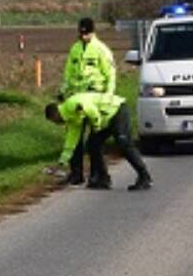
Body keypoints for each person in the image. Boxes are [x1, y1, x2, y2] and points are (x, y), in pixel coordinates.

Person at [45, 92, 152, 191]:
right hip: (104, 119)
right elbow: (72, 140)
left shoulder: (72, 104)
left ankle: (144, 176)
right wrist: (63, 160)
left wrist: (96, 127)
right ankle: (103, 178)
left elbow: (91, 111)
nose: (56, 124)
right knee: (93, 145)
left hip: (116, 110)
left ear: (55, 115)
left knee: (124, 144)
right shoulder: (70, 118)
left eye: (54, 121)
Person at [55, 17, 116, 185]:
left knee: (95, 140)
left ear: (93, 32)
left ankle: (97, 174)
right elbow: (69, 74)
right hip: (77, 100)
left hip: (95, 99)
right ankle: (76, 173)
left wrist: (109, 98)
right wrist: (62, 91)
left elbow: (110, 75)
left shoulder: (101, 50)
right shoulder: (75, 49)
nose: (83, 37)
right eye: (81, 34)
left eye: (86, 34)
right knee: (74, 137)